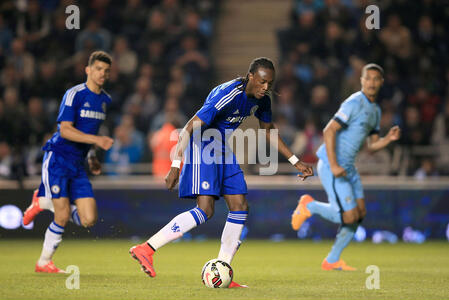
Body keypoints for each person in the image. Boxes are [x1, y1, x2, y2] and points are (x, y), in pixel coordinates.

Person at [129, 57, 313, 286]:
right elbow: (189, 126)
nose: (266, 88)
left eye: (270, 83)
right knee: (205, 209)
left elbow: (268, 130)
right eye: (262, 82)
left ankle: (221, 270)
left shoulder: (263, 99)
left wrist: (295, 161)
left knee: (240, 206)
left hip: (221, 148)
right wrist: (176, 164)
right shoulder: (227, 94)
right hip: (202, 144)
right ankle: (146, 248)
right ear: (251, 77)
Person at [291, 63, 401, 271]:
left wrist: (388, 139)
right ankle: (309, 205)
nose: (371, 82)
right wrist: (333, 165)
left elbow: (371, 145)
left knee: (359, 213)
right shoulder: (354, 102)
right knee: (349, 215)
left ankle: (332, 260)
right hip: (332, 165)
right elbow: (328, 131)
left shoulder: (375, 110)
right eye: (367, 78)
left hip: (349, 167)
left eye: (375, 79)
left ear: (381, 82)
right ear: (361, 81)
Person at [22, 51, 114, 273]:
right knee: (62, 215)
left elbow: (91, 131)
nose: (102, 74)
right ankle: (44, 262)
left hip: (78, 164)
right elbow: (65, 130)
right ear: (88, 70)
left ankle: (43, 202)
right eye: (99, 69)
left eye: (106, 71)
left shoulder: (105, 101)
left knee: (89, 219)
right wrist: (97, 141)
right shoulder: (74, 94)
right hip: (58, 158)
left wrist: (91, 156)